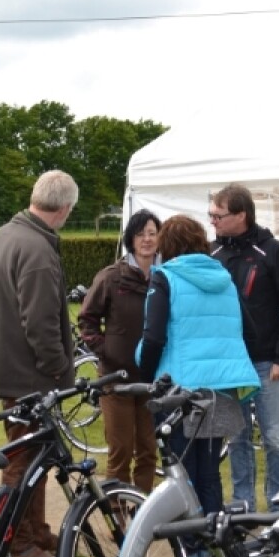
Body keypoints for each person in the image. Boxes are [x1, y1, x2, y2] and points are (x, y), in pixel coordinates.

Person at [0, 170, 79, 557]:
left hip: (11, 368)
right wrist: (59, 370)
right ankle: (16, 542)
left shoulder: (7, 234)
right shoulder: (36, 249)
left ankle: (35, 529)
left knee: (35, 455)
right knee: (21, 461)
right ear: (67, 208)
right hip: (28, 376)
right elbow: (39, 324)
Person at [135, 214, 258, 523]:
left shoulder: (165, 277)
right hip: (222, 389)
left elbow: (153, 337)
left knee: (182, 475)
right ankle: (213, 554)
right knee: (209, 471)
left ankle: (191, 553)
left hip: (181, 389)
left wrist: (147, 374)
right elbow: (249, 331)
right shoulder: (225, 280)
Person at [209, 183, 279, 509]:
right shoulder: (212, 253)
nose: (213, 222)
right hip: (229, 366)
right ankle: (242, 504)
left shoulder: (271, 250)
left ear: (241, 215)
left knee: (276, 439)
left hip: (266, 363)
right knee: (237, 438)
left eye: (218, 216)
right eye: (211, 215)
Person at [78, 209, 162, 493]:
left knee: (149, 451)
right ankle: (116, 511)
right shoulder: (111, 277)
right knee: (121, 451)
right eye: (141, 234)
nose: (147, 240)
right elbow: (86, 320)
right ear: (131, 239)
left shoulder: (166, 277)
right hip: (116, 378)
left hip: (151, 379)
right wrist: (106, 350)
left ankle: (143, 510)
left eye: (152, 233)